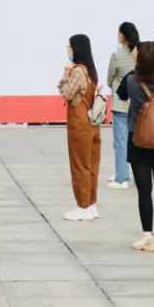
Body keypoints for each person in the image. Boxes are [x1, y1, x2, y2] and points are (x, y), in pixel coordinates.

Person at [116, 41, 154, 252]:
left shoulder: (131, 81)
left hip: (139, 141)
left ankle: (148, 237)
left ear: (138, 59)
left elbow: (121, 94)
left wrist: (136, 63)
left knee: (144, 191)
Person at [57, 34, 101, 222]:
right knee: (92, 164)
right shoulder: (91, 70)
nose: (68, 49)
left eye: (70, 46)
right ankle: (91, 205)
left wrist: (65, 74)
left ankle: (82, 206)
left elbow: (66, 93)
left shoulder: (76, 71)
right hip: (92, 123)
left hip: (79, 122)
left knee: (79, 164)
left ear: (77, 48)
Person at [104, 22, 139, 190]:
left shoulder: (117, 56)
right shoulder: (139, 54)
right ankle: (128, 173)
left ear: (122, 35)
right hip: (138, 104)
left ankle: (122, 179)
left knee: (120, 142)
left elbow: (110, 79)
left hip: (121, 104)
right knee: (137, 142)